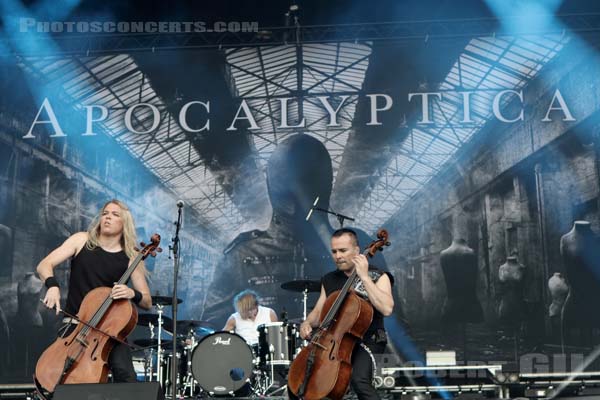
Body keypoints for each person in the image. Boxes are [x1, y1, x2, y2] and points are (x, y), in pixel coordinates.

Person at [37, 199, 152, 383]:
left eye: (115, 215)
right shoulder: (81, 240)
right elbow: (44, 265)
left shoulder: (131, 257)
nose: (108, 217)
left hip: (108, 330)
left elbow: (147, 301)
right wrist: (52, 285)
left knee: (126, 375)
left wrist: (132, 293)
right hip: (76, 323)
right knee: (59, 375)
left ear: (125, 223)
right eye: (105, 213)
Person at [298, 228, 394, 400]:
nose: (338, 256)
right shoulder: (329, 279)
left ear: (357, 251)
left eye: (343, 250)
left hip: (368, 340)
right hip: (337, 341)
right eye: (334, 251)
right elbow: (319, 310)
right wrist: (307, 323)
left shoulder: (378, 276)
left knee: (359, 380)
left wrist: (364, 277)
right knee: (317, 381)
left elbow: (387, 308)